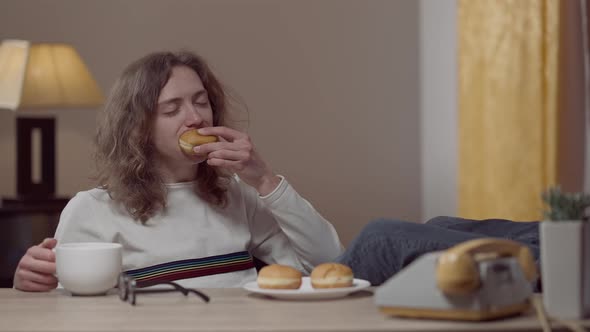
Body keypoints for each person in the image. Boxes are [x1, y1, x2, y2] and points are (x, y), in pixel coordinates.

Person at [13, 50, 343, 292]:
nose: (196, 118)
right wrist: (28, 284)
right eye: (172, 109)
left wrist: (266, 181)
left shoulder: (239, 196)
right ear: (139, 129)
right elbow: (64, 304)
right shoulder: (93, 210)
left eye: (201, 102)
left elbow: (329, 264)